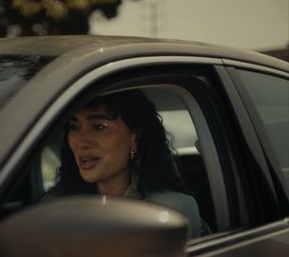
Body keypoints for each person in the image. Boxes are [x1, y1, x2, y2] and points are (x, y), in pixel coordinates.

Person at [44, 89, 209, 238]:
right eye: (74, 127)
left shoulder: (169, 210)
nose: (81, 142)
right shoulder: (56, 208)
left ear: (135, 137)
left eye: (99, 127)